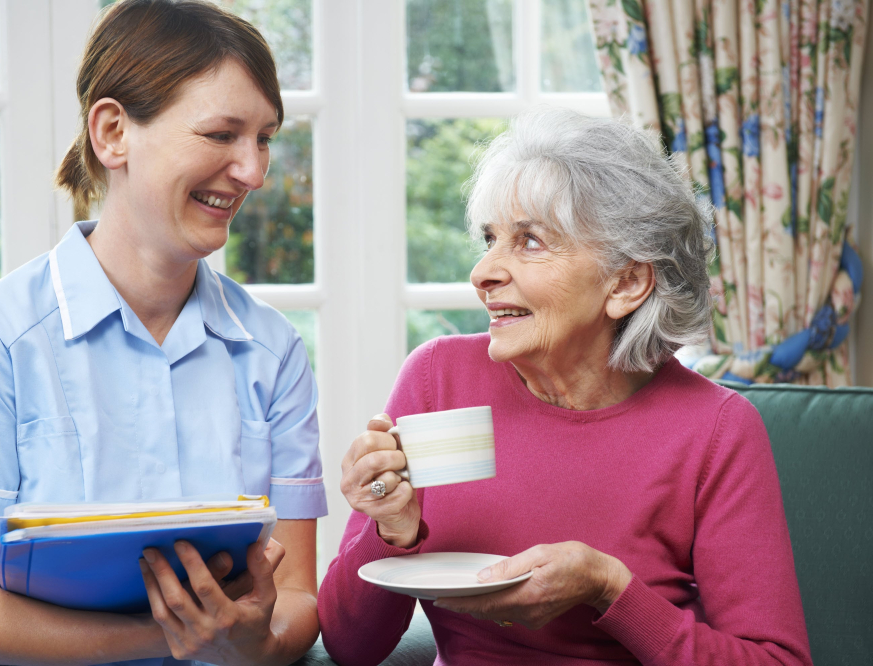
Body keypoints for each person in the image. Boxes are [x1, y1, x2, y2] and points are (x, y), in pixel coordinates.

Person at [0, 2, 326, 665]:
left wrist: (251, 640)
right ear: (113, 131)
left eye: (263, 138)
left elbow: (294, 598)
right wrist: (176, 637)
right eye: (221, 135)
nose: (254, 171)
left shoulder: (274, 353)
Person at [318, 108, 813, 666]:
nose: (482, 272)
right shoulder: (440, 377)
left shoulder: (715, 429)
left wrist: (609, 589)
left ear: (626, 283)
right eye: (490, 238)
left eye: (529, 241)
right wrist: (392, 530)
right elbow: (348, 648)